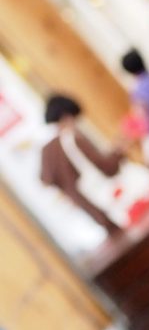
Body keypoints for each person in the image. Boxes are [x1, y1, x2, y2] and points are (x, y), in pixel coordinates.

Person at [39, 95, 124, 234]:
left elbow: (46, 181)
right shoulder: (73, 139)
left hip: (95, 214)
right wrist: (118, 152)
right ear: (67, 116)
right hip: (112, 208)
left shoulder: (46, 152)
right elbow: (108, 168)